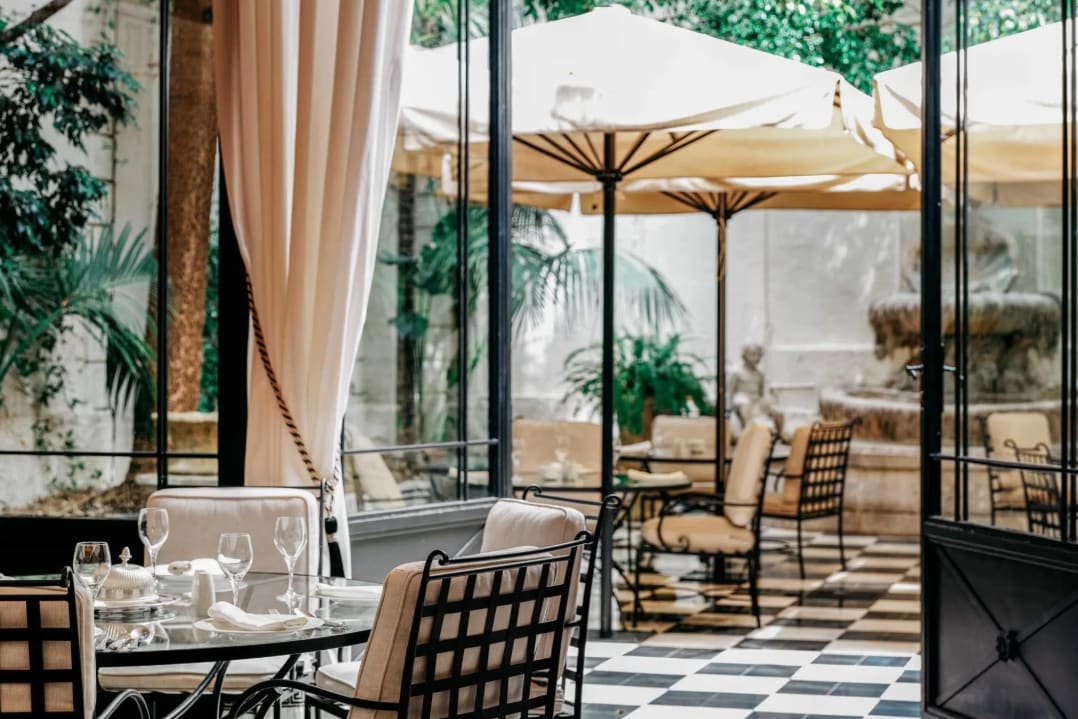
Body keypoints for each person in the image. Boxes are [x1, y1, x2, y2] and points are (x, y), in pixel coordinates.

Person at [728, 342, 776, 438]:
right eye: (753, 354)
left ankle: (778, 435)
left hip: (755, 400)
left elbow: (761, 392)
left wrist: (766, 403)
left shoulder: (760, 374)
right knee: (744, 404)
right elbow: (731, 391)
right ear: (745, 355)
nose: (756, 358)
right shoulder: (737, 372)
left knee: (776, 410)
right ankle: (749, 431)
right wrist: (730, 406)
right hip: (741, 399)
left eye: (758, 355)